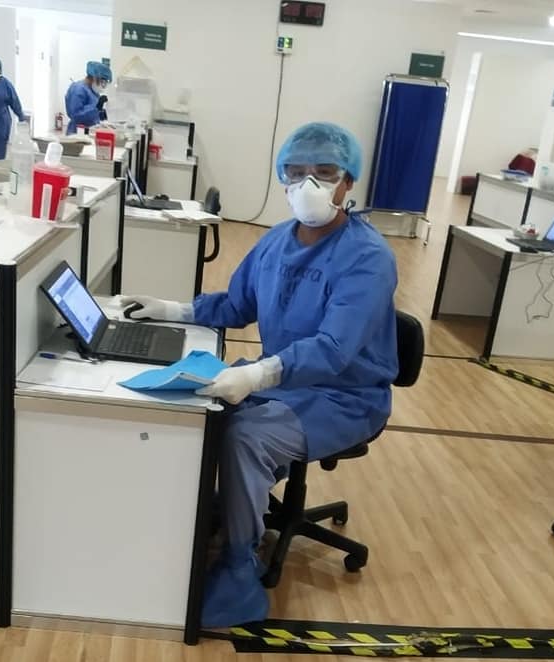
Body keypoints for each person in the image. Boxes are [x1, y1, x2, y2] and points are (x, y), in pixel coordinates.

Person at [119, 122, 399, 628]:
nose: (308, 184)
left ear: (348, 182)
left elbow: (334, 350)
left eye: (325, 172)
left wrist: (257, 376)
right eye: (296, 171)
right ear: (282, 176)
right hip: (284, 380)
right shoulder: (274, 243)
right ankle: (221, 508)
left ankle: (239, 571)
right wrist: (172, 310)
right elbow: (237, 304)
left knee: (246, 435)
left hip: (344, 397)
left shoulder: (368, 258)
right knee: (202, 404)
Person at [64, 61, 112, 134]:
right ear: (94, 78)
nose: (103, 86)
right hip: (78, 132)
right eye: (102, 82)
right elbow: (76, 115)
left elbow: (95, 113)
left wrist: (103, 114)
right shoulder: (78, 89)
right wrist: (97, 106)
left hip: (89, 131)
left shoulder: (93, 91)